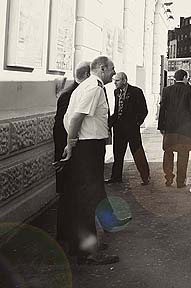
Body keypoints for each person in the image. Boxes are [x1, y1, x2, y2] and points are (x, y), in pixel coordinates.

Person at [61, 56, 124, 265]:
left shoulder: (87, 85)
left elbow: (72, 116)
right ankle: (88, 252)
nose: (114, 73)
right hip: (88, 148)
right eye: (112, 69)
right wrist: (71, 143)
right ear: (102, 68)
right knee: (87, 201)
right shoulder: (94, 87)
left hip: (87, 147)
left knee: (85, 198)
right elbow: (76, 117)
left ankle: (81, 245)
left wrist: (72, 142)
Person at [53, 61, 90, 249]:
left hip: (70, 153)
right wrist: (67, 151)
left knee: (72, 196)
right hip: (68, 155)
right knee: (70, 197)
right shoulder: (71, 95)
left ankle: (72, 237)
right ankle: (68, 238)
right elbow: (62, 128)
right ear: (86, 75)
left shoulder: (74, 92)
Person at [105, 72, 150, 185]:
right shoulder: (116, 92)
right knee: (118, 153)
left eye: (117, 80)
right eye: (114, 80)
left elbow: (144, 110)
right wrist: (109, 124)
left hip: (132, 128)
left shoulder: (136, 92)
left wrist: (137, 123)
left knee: (137, 151)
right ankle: (116, 177)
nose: (114, 83)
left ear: (124, 80)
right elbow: (117, 111)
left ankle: (145, 176)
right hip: (119, 129)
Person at [158, 69, 191, 188]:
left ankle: (168, 178)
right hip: (184, 128)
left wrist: (161, 126)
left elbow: (162, 109)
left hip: (169, 127)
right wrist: (185, 117)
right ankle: (181, 181)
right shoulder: (190, 90)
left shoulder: (166, 90)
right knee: (183, 154)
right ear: (185, 77)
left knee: (168, 152)